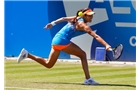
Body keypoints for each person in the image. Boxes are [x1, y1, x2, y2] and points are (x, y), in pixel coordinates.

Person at [17, 8, 112, 85]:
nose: (91, 17)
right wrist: (106, 45)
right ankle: (88, 79)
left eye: (92, 15)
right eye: (90, 16)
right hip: (62, 41)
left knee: (48, 64)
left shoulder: (76, 18)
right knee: (83, 55)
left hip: (55, 40)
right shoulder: (82, 24)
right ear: (84, 16)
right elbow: (95, 36)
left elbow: (63, 18)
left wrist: (52, 24)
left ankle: (27, 55)